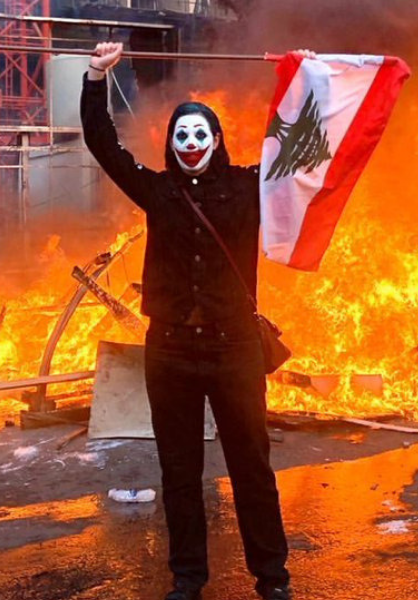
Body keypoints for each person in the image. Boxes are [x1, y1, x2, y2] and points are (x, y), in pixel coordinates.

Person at [81, 42, 310, 600]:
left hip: (235, 349)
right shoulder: (157, 191)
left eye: (199, 134)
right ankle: (187, 579)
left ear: (215, 140)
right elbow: (103, 145)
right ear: (172, 142)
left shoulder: (249, 185)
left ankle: (272, 579)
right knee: (179, 473)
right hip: (172, 352)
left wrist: (302, 80)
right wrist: (93, 77)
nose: (190, 144)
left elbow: (301, 153)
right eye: (181, 135)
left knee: (252, 468)